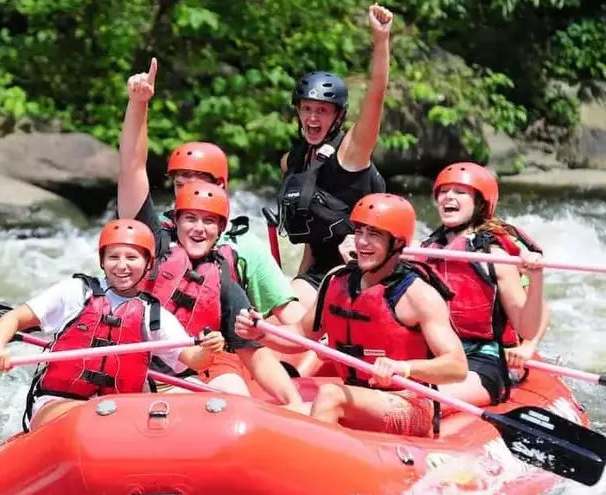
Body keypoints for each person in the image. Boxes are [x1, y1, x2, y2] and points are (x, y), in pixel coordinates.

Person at [237, 193, 469, 437]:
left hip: (408, 403)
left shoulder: (418, 295)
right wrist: (260, 332)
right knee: (283, 416)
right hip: (359, 396)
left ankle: (308, 466)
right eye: (359, 232)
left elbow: (456, 367)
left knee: (330, 394)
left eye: (374, 235)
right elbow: (300, 334)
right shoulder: (337, 280)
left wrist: (404, 368)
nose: (362, 243)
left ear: (397, 243)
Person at [0, 219, 225, 431]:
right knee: (86, 423)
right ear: (102, 261)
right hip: (59, 402)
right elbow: (13, 318)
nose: (122, 266)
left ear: (148, 264)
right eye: (113, 257)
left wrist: (208, 348)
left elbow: (194, 359)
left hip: (121, 410)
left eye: (132, 258)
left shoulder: (153, 315)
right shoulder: (76, 292)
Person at [117, 57, 305, 326]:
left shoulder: (244, 247)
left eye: (198, 184)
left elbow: (291, 316)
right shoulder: (156, 232)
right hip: (151, 351)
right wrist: (138, 104)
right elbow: (131, 168)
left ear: (221, 188)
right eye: (181, 185)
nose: (189, 194)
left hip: (214, 356)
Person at [137, 180, 304, 408]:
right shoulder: (152, 249)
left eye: (209, 221)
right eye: (190, 219)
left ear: (220, 230)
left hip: (193, 370)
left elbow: (255, 355)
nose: (199, 228)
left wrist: (293, 401)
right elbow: (131, 179)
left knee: (238, 402)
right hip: (139, 366)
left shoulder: (224, 282)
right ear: (175, 221)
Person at [277, 3, 393, 311]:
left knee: (299, 315)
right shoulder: (294, 162)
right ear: (298, 112)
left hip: (363, 273)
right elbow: (314, 240)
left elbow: (376, 96)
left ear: (338, 117)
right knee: (283, 310)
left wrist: (381, 41)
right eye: (307, 109)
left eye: (322, 111)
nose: (313, 118)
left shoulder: (352, 152)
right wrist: (296, 280)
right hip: (318, 275)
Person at [418, 162, 548, 408]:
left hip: (482, 358)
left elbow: (527, 328)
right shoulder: (423, 250)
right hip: (436, 354)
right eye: (444, 191)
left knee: (421, 400)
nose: (448, 197)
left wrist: (537, 278)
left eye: (460, 192)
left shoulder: (495, 258)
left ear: (479, 203)